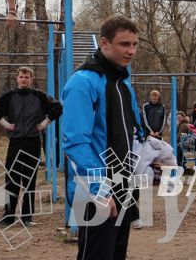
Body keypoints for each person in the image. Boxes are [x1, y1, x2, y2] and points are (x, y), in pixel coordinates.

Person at [63, 16, 143, 260]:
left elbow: (132, 132)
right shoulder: (82, 82)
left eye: (135, 44)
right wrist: (100, 190)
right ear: (105, 43)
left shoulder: (123, 82)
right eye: (124, 44)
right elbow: (75, 143)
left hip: (122, 185)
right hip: (94, 190)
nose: (131, 51)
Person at [0, 66, 62, 226]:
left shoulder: (39, 96)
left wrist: (44, 123)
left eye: (27, 77)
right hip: (15, 142)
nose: (24, 79)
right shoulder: (9, 96)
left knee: (29, 179)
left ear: (31, 79)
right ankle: (8, 216)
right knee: (11, 179)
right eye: (21, 77)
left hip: (33, 142)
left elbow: (57, 107)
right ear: (17, 78)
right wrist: (6, 124)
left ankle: (27, 217)